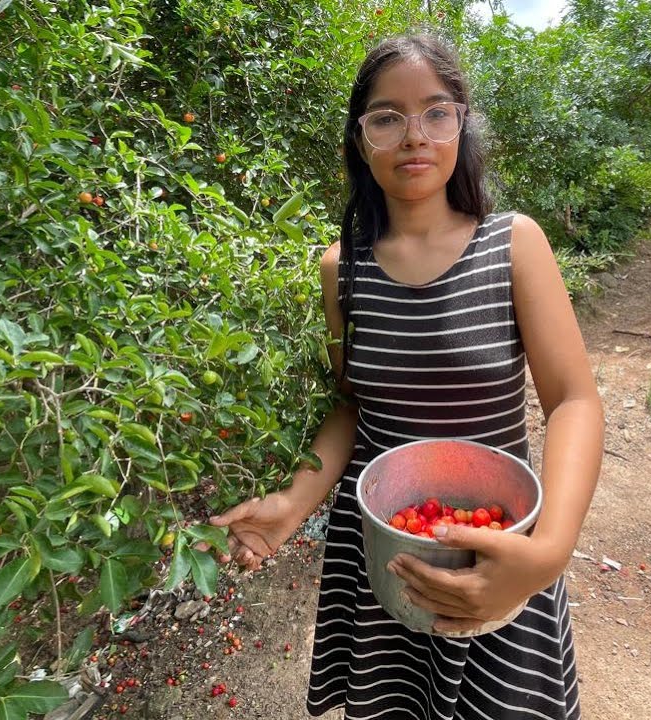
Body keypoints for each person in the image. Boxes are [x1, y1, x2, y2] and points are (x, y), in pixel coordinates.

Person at [209, 34, 605, 720]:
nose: (413, 136)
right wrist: (293, 505)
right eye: (387, 117)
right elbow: (352, 406)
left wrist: (545, 555)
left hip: (497, 553)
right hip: (382, 555)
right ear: (361, 140)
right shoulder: (343, 269)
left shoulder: (513, 244)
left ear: (461, 124)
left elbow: (573, 400)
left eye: (435, 112)